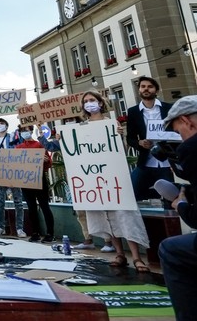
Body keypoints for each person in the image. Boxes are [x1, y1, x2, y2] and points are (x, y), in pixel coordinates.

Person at [81, 91, 151, 273]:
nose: (89, 103)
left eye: (92, 100)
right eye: (86, 101)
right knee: (108, 216)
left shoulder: (112, 124)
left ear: (100, 103)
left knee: (125, 214)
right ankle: (119, 254)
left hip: (114, 176)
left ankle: (136, 256)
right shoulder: (81, 128)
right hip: (95, 177)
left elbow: (120, 150)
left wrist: (118, 135)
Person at [158, 95, 197, 321]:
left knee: (170, 250)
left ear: (187, 121)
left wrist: (181, 204)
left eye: (178, 131)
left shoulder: (192, 148)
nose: (180, 138)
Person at [126, 76, 173, 204]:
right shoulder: (133, 112)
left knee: (171, 199)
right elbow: (130, 138)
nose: (146, 89)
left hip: (166, 163)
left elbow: (177, 131)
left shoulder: (168, 108)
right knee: (132, 193)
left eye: (150, 87)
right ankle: (158, 196)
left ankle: (166, 201)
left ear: (156, 90)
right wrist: (140, 143)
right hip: (146, 162)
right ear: (139, 90)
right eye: (143, 86)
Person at [0, 119, 26, 239]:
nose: (0, 125)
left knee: (18, 202)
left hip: (13, 171)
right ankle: (0, 227)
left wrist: (24, 115)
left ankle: (19, 228)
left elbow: (23, 129)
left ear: (7, 126)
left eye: (2, 123)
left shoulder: (13, 137)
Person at [16, 127, 55, 243]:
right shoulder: (18, 148)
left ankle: (50, 233)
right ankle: (35, 233)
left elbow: (49, 163)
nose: (24, 132)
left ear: (31, 131)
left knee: (44, 206)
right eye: (22, 130)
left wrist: (45, 160)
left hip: (39, 178)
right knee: (31, 207)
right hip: (25, 180)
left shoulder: (39, 145)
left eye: (26, 130)